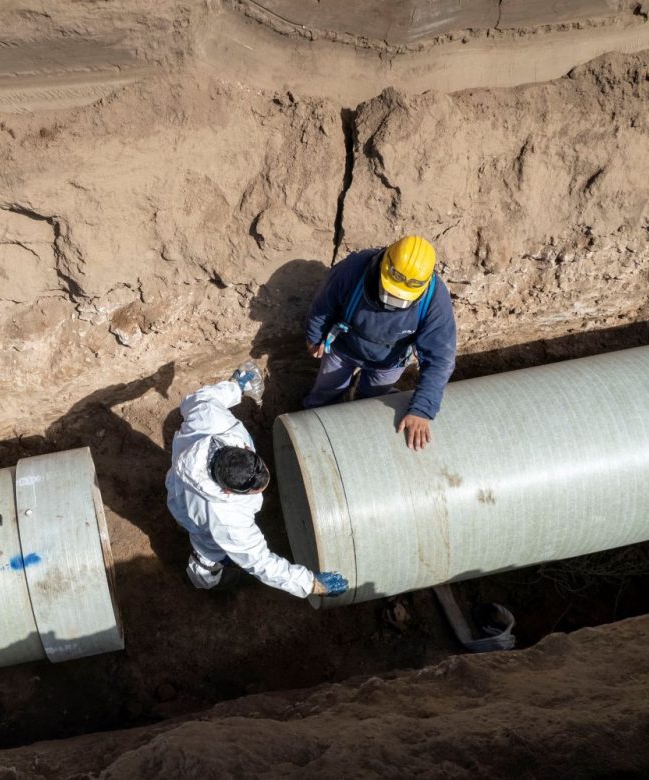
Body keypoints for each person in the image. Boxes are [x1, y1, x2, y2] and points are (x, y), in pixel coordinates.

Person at [165, 365, 348, 599]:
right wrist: (310, 583)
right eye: (253, 489)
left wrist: (234, 388)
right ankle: (205, 578)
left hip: (180, 480)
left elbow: (200, 399)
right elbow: (260, 563)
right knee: (209, 549)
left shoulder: (212, 421)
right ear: (228, 491)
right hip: (191, 511)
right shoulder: (227, 520)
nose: (261, 486)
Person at [304, 235, 457, 451]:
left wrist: (422, 409)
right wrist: (314, 336)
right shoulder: (355, 269)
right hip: (343, 349)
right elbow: (324, 304)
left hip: (389, 361)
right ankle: (311, 427)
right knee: (326, 392)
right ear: (384, 265)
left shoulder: (434, 299)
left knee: (371, 400)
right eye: (390, 292)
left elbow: (440, 358)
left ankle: (356, 421)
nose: (393, 302)